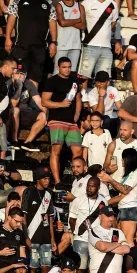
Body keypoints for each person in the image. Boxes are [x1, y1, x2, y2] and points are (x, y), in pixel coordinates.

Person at [5, 0, 57, 87]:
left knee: (35, 78)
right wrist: (8, 38)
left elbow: (52, 22)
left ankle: (32, 103)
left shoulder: (48, 3)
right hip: (21, 46)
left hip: (40, 47)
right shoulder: (19, 0)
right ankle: (15, 102)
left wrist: (54, 42)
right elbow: (11, 19)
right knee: (18, 77)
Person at [42, 57, 84, 187]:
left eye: (69, 67)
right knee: (56, 151)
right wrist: (60, 104)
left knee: (78, 152)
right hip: (57, 120)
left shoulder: (74, 82)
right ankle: (57, 181)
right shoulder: (52, 81)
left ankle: (77, 180)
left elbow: (78, 100)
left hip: (71, 122)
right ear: (58, 67)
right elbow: (44, 101)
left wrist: (77, 115)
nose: (67, 69)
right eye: (64, 67)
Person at [87, 206, 131, 273]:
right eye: (107, 216)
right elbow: (101, 246)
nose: (111, 219)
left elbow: (126, 249)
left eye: (112, 216)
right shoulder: (94, 231)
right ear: (100, 216)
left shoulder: (118, 232)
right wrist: (117, 244)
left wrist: (107, 247)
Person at [68, 176, 108, 273]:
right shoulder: (79, 199)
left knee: (93, 270)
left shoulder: (103, 201)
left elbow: (106, 219)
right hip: (81, 239)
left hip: (96, 240)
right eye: (88, 186)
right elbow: (72, 219)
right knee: (80, 269)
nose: (89, 188)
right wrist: (76, 234)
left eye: (92, 186)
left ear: (98, 187)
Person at [80, 0, 119, 81]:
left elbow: (113, 24)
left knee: (104, 78)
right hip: (90, 46)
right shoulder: (86, 3)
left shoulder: (113, 5)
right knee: (84, 76)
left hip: (106, 47)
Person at [22, 166, 56, 273]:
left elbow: (51, 218)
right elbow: (23, 217)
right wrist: (26, 237)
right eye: (45, 179)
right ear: (38, 179)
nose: (47, 181)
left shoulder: (49, 193)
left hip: (45, 237)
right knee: (33, 267)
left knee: (46, 266)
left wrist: (53, 239)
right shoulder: (29, 192)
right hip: (32, 235)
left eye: (48, 179)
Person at [54, 0, 85, 75]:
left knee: (71, 73)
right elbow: (62, 23)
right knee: (57, 72)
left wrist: (67, 21)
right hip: (62, 44)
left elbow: (83, 26)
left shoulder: (80, 6)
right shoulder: (59, 5)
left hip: (75, 45)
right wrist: (78, 20)